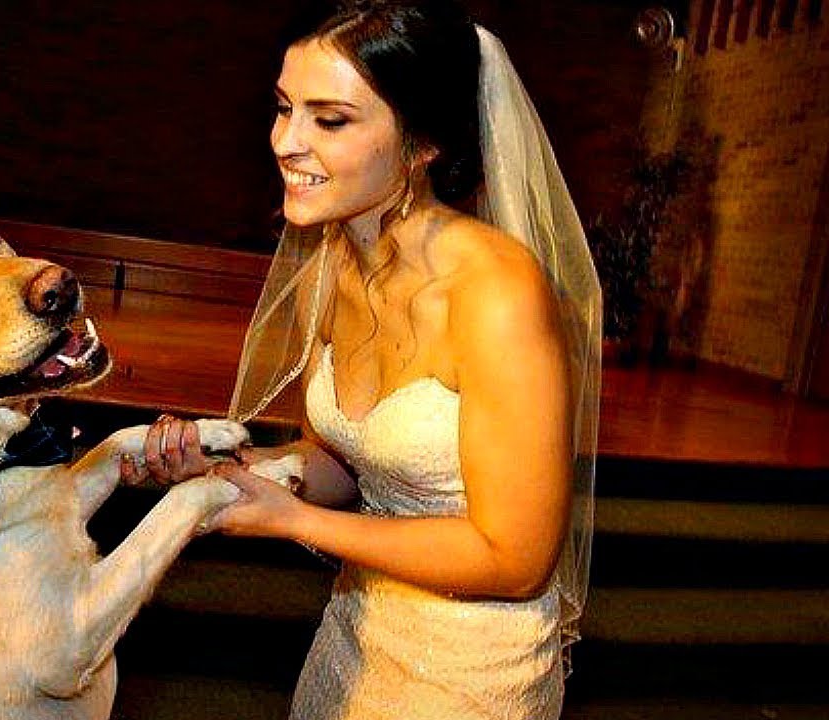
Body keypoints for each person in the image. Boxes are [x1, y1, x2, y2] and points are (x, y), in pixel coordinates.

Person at [121, 1, 601, 718]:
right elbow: (345, 464)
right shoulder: (333, 258)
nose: (287, 142)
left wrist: (294, 521)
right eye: (284, 109)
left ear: (421, 142)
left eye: (331, 120)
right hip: (355, 635)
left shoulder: (497, 291)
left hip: (473, 670)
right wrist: (235, 470)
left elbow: (517, 558)